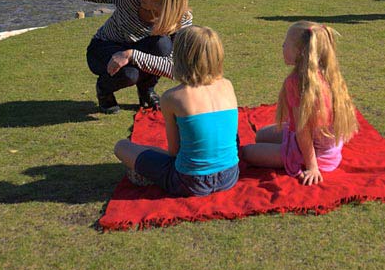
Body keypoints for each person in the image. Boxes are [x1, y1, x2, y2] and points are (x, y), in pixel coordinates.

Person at [14, 0, 191, 114]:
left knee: (162, 45)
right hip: (104, 47)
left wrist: (131, 55)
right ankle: (104, 90)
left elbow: (175, 69)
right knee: (130, 74)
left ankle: (146, 90)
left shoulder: (181, 19)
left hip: (133, 51)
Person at [114, 26, 239, 197]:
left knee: (122, 147)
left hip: (190, 182)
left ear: (180, 57)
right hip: (230, 175)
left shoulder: (172, 97)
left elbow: (174, 152)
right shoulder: (227, 85)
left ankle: (146, 172)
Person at [241, 21, 358, 185]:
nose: (282, 46)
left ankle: (299, 158)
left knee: (246, 152)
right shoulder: (329, 74)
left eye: (286, 43)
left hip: (313, 154)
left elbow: (303, 131)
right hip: (328, 150)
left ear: (299, 51)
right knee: (260, 135)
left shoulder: (297, 83)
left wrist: (312, 167)